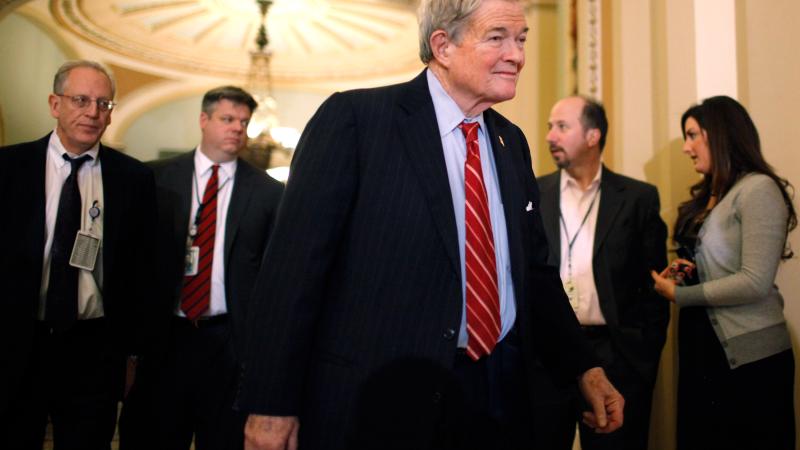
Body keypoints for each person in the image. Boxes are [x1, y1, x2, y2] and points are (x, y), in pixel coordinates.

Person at [238, 1, 624, 449]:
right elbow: (292, 273)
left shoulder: (510, 142)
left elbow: (534, 273)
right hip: (381, 404)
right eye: (497, 37)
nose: (517, 55)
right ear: (443, 45)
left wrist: (584, 368)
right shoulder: (357, 121)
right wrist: (270, 404)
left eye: (521, 40)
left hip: (496, 397)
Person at [0, 60, 156, 449]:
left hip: (95, 349)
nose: (93, 112)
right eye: (81, 100)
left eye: (104, 104)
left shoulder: (134, 178)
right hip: (17, 341)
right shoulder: (7, 167)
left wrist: (133, 354)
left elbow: (141, 272)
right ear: (55, 104)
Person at [119, 86, 284, 450]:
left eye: (244, 122)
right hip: (165, 340)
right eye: (227, 119)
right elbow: (133, 264)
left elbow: (274, 278)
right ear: (204, 120)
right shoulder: (154, 178)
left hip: (229, 344)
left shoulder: (269, 193)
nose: (237, 129)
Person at [651, 95, 797, 450]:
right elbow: (720, 263)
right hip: (702, 346)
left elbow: (755, 281)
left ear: (719, 133)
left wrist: (679, 295)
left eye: (692, 135)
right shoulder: (710, 195)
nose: (686, 148)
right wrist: (689, 270)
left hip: (750, 356)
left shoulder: (758, 189)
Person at [533, 95, 668, 450]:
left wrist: (643, 361)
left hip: (616, 355)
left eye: (562, 127)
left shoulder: (637, 198)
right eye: (550, 126)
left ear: (593, 136)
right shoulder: (533, 192)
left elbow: (654, 288)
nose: (550, 136)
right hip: (550, 351)